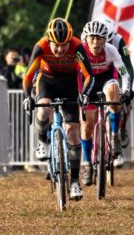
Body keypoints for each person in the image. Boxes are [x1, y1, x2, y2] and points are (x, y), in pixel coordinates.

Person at [21, 18, 95, 201]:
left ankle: (75, 181)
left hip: (69, 83)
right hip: (47, 81)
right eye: (56, 46)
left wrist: (84, 94)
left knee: (73, 131)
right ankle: (42, 141)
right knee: (44, 108)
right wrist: (28, 97)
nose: (60, 50)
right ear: (49, 41)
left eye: (64, 45)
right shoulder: (41, 46)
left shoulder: (77, 47)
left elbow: (89, 76)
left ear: (70, 41)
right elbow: (28, 76)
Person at [79, 20, 131, 183]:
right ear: (86, 39)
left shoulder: (111, 50)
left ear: (105, 39)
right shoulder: (80, 51)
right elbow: (75, 76)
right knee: (87, 126)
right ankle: (87, 164)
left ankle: (114, 135)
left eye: (99, 38)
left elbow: (124, 73)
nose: (95, 42)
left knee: (114, 93)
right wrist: (80, 95)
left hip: (107, 79)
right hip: (88, 84)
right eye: (92, 38)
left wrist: (126, 90)